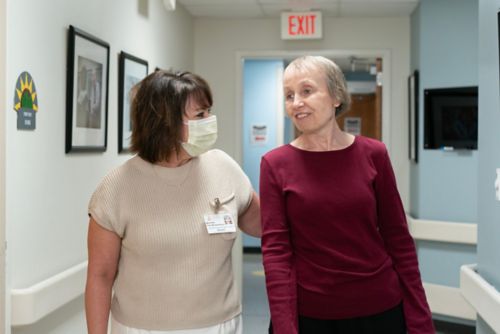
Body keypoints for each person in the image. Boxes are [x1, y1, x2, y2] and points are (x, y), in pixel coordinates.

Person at [260, 56, 434, 334]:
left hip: (379, 310)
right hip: (312, 315)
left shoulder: (374, 154)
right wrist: (284, 327)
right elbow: (276, 253)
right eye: (289, 95)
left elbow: (398, 238)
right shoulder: (275, 164)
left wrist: (420, 321)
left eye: (307, 91)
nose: (296, 102)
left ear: (336, 96)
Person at [85, 70, 261, 334]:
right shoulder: (117, 187)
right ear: (164, 123)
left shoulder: (224, 168)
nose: (210, 121)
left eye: (208, 112)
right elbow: (100, 277)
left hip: (221, 325)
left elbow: (266, 225)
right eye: (200, 115)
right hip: (141, 328)